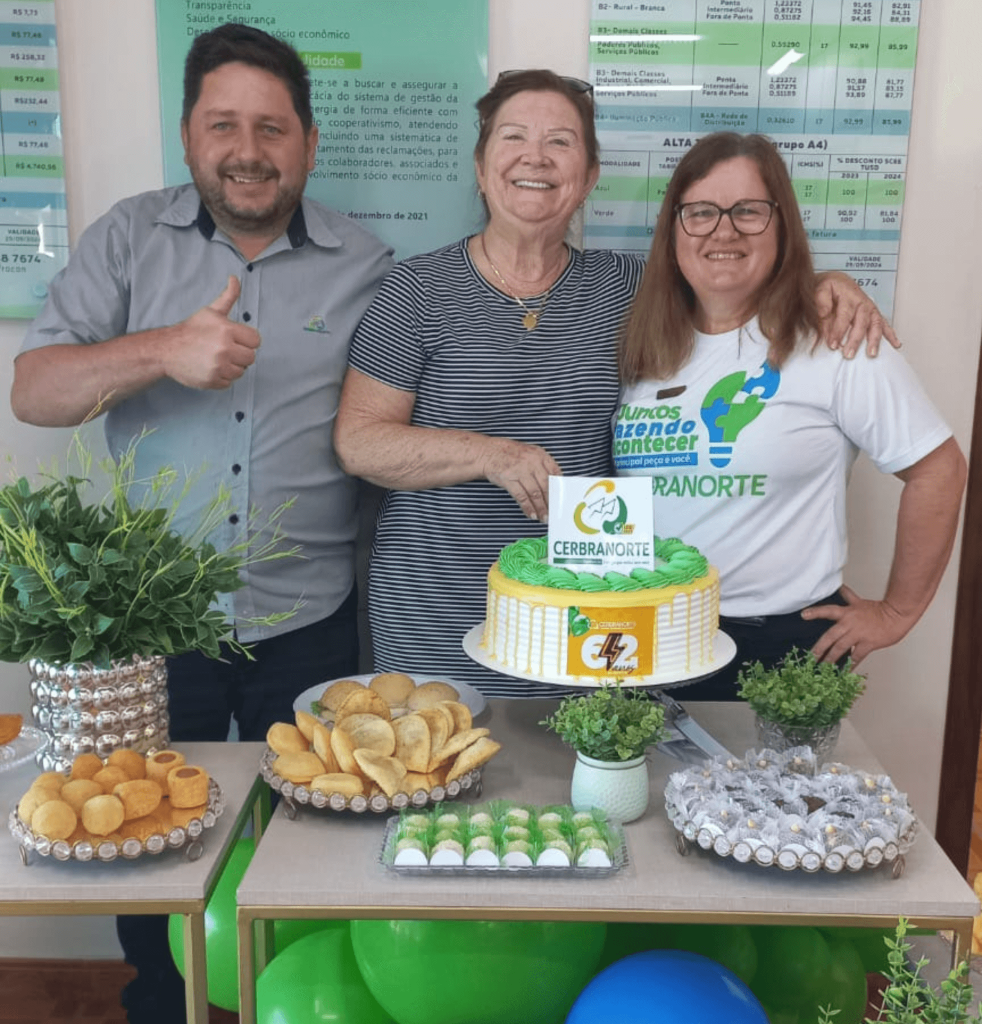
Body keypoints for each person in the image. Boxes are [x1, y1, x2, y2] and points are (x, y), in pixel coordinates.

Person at [10, 22, 392, 1022]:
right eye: (223, 124)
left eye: (272, 127)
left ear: (308, 142)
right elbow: (34, 390)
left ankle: (290, 1002)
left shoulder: (368, 264)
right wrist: (163, 351)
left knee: (309, 848)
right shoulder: (128, 238)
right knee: (139, 840)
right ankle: (159, 1002)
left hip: (308, 620)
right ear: (188, 134)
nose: (247, 149)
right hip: (149, 629)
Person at [334, 69, 892, 699]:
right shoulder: (415, 290)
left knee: (579, 764)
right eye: (513, 137)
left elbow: (735, 280)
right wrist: (491, 454)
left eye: (561, 142)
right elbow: (359, 443)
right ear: (481, 166)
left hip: (596, 620)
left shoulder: (633, 289)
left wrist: (829, 285)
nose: (535, 157)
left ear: (590, 176)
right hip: (434, 615)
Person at [614, 131, 967, 698]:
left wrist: (897, 612)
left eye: (748, 211)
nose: (723, 230)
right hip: (650, 633)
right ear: (673, 230)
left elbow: (939, 469)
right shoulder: (646, 346)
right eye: (700, 212)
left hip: (777, 648)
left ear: (782, 226)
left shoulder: (834, 339)